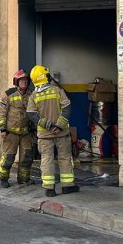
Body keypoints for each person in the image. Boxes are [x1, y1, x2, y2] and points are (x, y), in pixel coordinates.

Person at [28, 65, 77, 198]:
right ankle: (67, 186)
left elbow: (32, 114)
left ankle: (49, 189)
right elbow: (67, 107)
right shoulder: (57, 90)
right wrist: (59, 125)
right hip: (61, 133)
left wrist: (48, 126)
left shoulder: (33, 96)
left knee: (46, 160)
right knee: (65, 158)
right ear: (46, 77)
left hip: (44, 135)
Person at [0, 69, 35, 187]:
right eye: (21, 80)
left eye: (25, 80)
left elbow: (35, 112)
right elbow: (2, 112)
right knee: (8, 157)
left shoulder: (32, 95)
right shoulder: (8, 94)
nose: (24, 83)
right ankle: (3, 178)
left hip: (26, 133)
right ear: (16, 82)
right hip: (11, 133)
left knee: (27, 158)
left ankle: (24, 179)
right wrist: (3, 129)